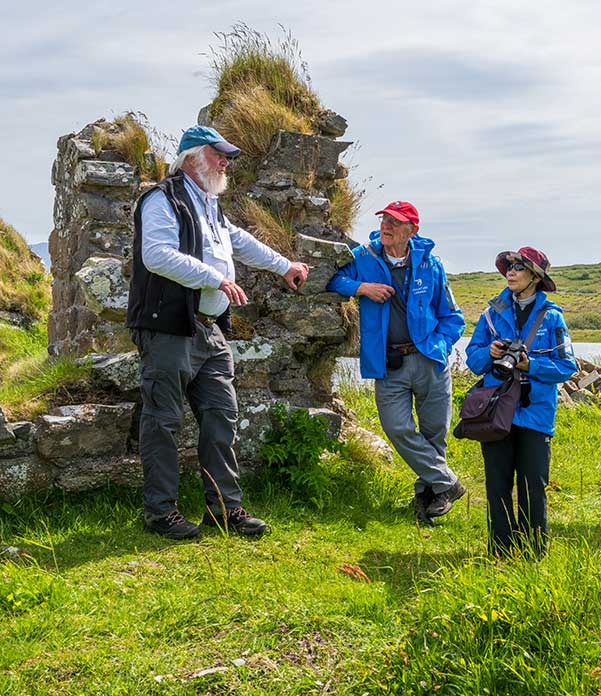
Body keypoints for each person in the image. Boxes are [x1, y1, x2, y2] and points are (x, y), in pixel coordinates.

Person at [126, 125, 309, 540]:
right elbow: (156, 255)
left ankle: (225, 509)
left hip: (207, 330)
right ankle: (161, 514)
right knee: (164, 421)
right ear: (191, 156)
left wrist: (285, 266)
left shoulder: (210, 204)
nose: (225, 162)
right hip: (168, 326)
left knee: (221, 417)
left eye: (226, 156)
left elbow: (238, 241)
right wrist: (215, 279)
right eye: (217, 154)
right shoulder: (162, 198)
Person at [327, 201, 466, 523]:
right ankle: (448, 483)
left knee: (434, 433)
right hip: (389, 364)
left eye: (396, 222)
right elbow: (333, 280)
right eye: (385, 219)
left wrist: (441, 347)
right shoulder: (365, 257)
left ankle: (428, 500)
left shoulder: (431, 264)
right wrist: (361, 287)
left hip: (430, 361)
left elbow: (453, 317)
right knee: (397, 427)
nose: (386, 226)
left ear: (412, 230)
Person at [465, 247, 576, 558]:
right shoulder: (491, 314)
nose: (510, 272)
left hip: (536, 413)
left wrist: (531, 367)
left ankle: (532, 553)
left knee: (533, 487)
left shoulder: (552, 318)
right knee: (497, 485)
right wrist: (490, 353)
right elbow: (473, 360)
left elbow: (568, 367)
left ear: (535, 277)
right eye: (509, 267)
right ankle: (500, 551)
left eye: (519, 267)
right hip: (496, 412)